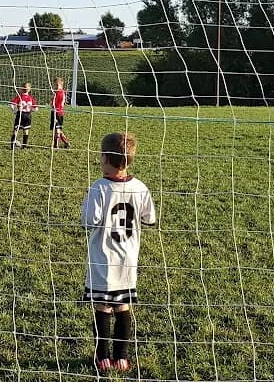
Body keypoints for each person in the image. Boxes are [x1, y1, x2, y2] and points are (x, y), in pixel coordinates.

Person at [80, 132, 156, 373]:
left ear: (104, 159)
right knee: (123, 307)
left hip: (103, 258)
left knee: (102, 306)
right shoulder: (140, 187)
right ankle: (121, 357)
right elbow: (150, 218)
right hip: (128, 259)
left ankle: (102, 356)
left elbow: (89, 221)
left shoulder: (100, 187)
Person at [9, 82, 37, 149]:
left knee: (16, 129)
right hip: (28, 115)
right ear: (29, 89)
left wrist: (15, 111)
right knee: (26, 130)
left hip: (20, 114)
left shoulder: (19, 97)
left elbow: (11, 105)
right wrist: (30, 110)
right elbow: (36, 108)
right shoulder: (31, 98)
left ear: (21, 89)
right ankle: (24, 146)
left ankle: (12, 144)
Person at [50, 77, 71, 149]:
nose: (54, 87)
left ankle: (56, 145)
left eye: (56, 85)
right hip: (61, 112)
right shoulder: (63, 92)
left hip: (56, 112)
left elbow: (52, 104)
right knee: (58, 129)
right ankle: (66, 143)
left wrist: (52, 98)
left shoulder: (57, 93)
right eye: (54, 85)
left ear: (60, 84)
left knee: (57, 130)